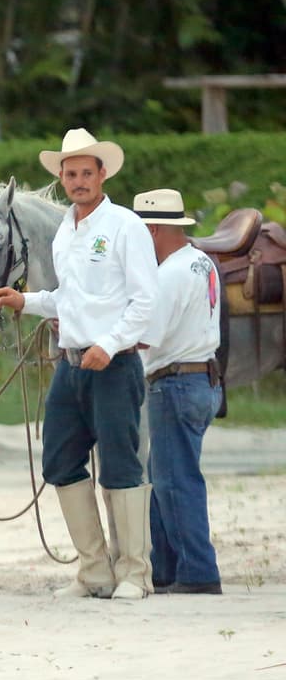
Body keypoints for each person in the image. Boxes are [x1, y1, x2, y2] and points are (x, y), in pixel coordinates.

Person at [0, 128, 159, 599]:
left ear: (103, 174)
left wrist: (112, 342)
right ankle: (94, 571)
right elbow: (69, 297)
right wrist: (25, 300)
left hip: (115, 363)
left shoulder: (125, 226)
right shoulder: (67, 229)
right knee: (60, 459)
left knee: (122, 465)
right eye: (71, 174)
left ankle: (134, 574)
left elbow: (146, 300)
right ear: (62, 178)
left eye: (87, 173)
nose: (79, 181)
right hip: (71, 363)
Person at [133, 188, 224, 595]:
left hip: (174, 382)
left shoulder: (167, 275)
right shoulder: (202, 262)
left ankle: (198, 573)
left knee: (174, 480)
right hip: (203, 378)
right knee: (165, 475)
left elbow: (147, 337)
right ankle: (164, 568)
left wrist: (95, 340)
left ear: (151, 230)